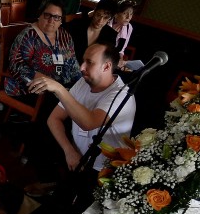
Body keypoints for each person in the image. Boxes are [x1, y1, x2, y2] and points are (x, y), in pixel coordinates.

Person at [31, 42, 135, 174]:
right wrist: (69, 151)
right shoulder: (83, 82)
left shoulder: (122, 95)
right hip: (77, 156)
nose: (82, 67)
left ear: (106, 67)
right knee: (33, 130)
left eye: (89, 62)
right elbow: (54, 118)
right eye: (83, 61)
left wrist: (59, 89)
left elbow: (89, 123)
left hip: (102, 168)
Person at [5, 0, 79, 99]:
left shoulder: (64, 36)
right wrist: (48, 83)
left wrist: (81, 84)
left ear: (61, 20)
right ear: (40, 15)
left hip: (63, 88)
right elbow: (16, 65)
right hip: (33, 89)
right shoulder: (28, 35)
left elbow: (73, 62)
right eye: (47, 15)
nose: (51, 20)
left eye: (56, 17)